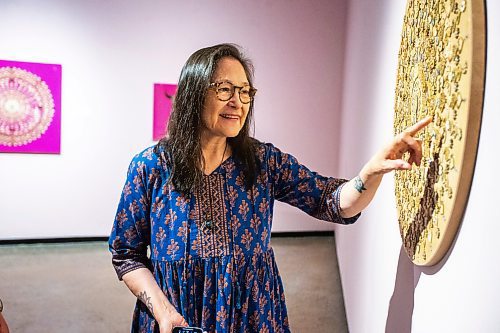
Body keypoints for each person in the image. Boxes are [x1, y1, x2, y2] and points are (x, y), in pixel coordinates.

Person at [109, 43, 431, 333]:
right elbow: (127, 254)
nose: (237, 101)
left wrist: (370, 172)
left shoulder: (263, 161)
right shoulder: (150, 167)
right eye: (224, 89)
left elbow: (334, 203)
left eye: (245, 91)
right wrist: (164, 313)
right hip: (176, 315)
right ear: (194, 93)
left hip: (253, 313)